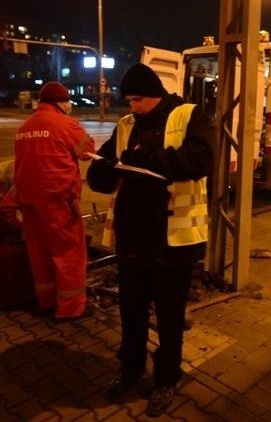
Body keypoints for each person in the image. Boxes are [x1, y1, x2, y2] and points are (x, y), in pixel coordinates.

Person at [87, 63, 214, 418]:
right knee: (131, 313)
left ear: (155, 93)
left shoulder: (190, 115)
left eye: (138, 99)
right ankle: (129, 369)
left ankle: (166, 379)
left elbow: (202, 160)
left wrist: (150, 160)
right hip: (132, 240)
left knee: (170, 318)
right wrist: (100, 169)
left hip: (172, 242)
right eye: (128, 100)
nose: (133, 107)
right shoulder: (127, 124)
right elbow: (110, 162)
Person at [13, 82, 95, 321]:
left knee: (39, 253)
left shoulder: (24, 127)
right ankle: (71, 308)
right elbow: (87, 150)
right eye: (68, 102)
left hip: (28, 201)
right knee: (68, 254)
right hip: (58, 201)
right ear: (61, 103)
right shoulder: (65, 124)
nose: (70, 106)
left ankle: (47, 301)